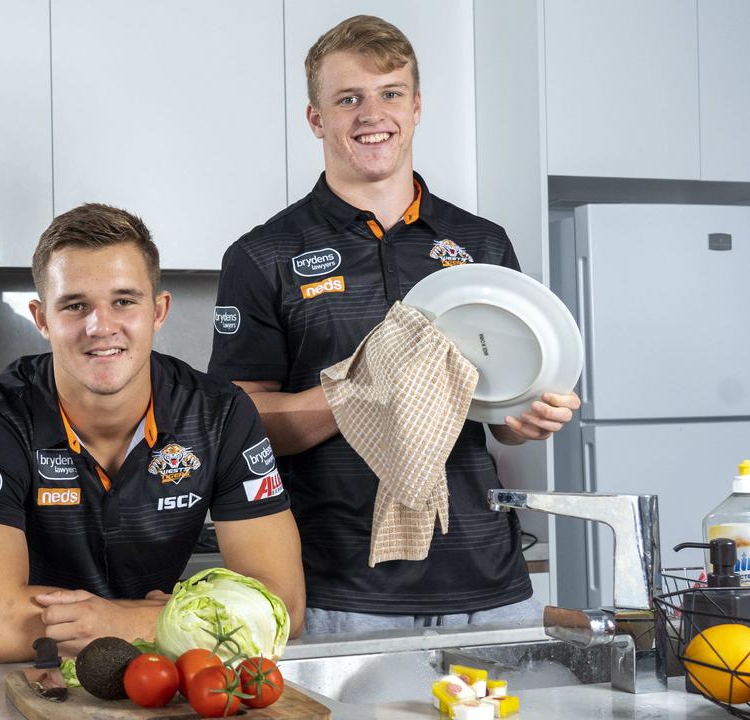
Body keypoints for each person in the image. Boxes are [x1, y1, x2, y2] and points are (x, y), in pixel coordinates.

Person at [208, 16, 580, 634]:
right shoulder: (262, 255)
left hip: (488, 580)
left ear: (416, 106)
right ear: (315, 118)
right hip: (339, 591)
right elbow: (239, 423)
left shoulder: (482, 243)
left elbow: (504, 418)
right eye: (347, 98)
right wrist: (366, 391)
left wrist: (525, 419)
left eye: (390, 93)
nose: (371, 113)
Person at [0, 203, 305, 662]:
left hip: (162, 680)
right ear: (41, 318)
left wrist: (119, 623)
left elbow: (284, 607)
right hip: (23, 680)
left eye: (124, 301)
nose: (101, 327)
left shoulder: (221, 413)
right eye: (75, 305)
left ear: (158, 310)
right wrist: (175, 619)